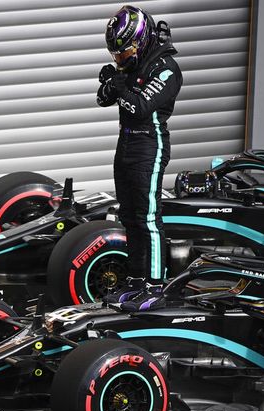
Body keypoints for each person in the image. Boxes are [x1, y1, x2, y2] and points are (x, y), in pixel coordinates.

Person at [97, 5, 182, 311]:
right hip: (125, 144)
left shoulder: (167, 68)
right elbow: (102, 98)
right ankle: (135, 281)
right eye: (115, 54)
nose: (120, 59)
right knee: (129, 217)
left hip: (150, 145)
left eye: (124, 52)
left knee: (148, 218)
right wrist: (112, 84)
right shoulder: (130, 67)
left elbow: (140, 108)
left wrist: (120, 86)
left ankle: (156, 286)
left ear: (142, 40)